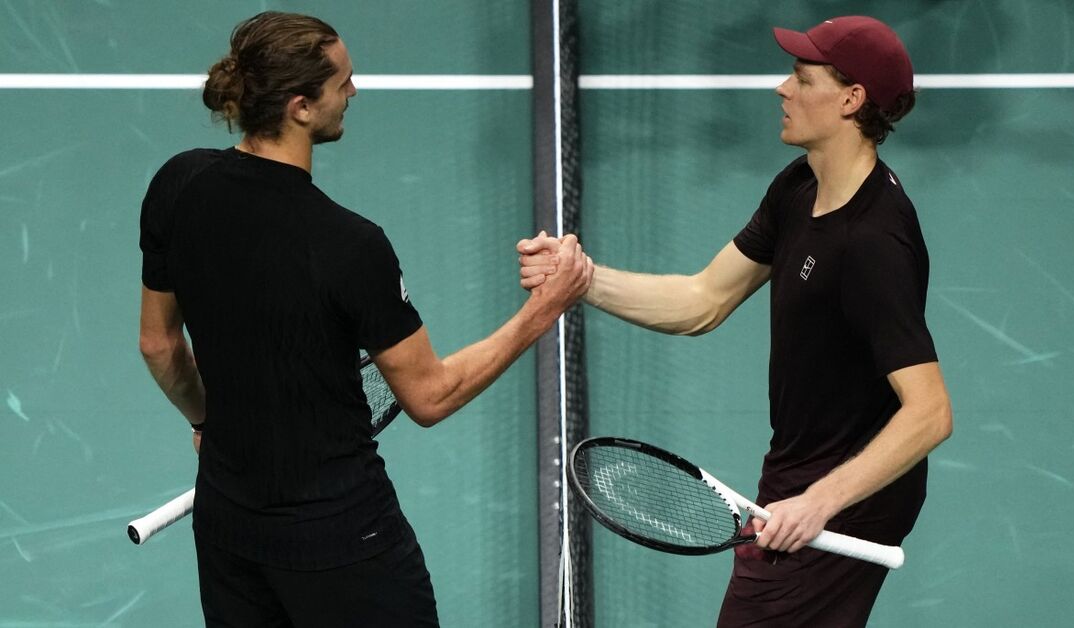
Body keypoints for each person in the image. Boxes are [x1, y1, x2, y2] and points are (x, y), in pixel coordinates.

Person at [138, 11, 591, 627]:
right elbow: (431, 394)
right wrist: (543, 311)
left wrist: (207, 421)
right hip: (344, 541)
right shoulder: (349, 245)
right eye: (342, 83)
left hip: (229, 530)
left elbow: (160, 346)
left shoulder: (177, 185)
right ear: (300, 106)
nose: (354, 91)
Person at [518, 16, 952, 627]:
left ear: (851, 100)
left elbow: (929, 412)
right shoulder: (800, 187)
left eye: (802, 78)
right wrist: (582, 279)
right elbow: (702, 300)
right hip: (801, 465)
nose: (782, 89)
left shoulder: (872, 243)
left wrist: (817, 503)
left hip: (846, 493)